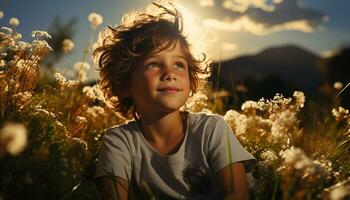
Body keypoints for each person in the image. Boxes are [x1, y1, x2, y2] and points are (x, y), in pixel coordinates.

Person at [93, 2, 256, 199]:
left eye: (179, 64)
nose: (170, 73)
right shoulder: (119, 142)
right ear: (124, 85)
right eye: (153, 64)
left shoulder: (212, 129)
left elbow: (237, 194)